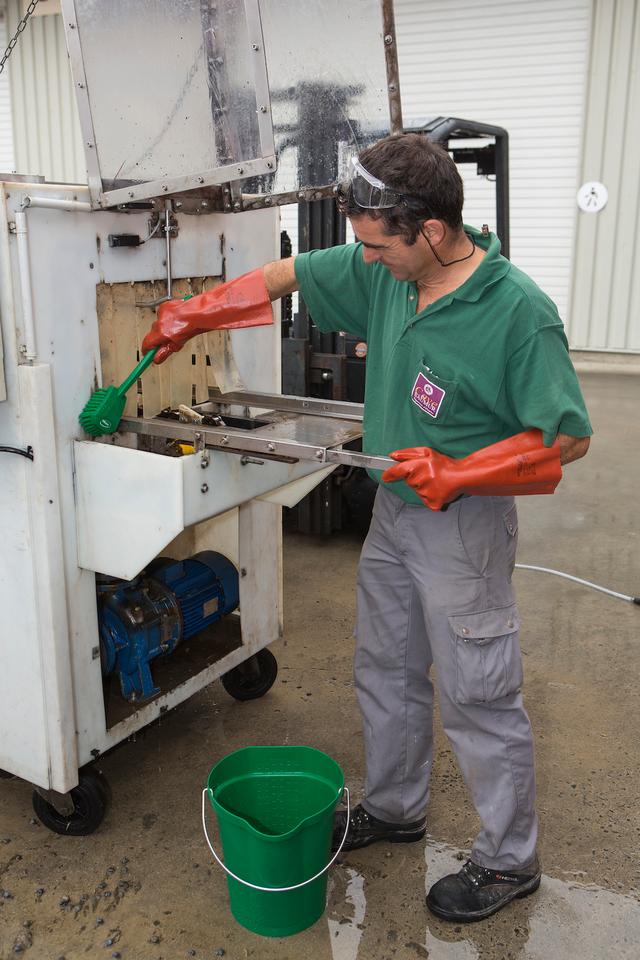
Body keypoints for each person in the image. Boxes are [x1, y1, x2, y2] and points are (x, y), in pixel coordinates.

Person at [142, 133, 592, 923]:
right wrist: (191, 317)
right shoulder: (388, 271)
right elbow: (283, 276)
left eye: (379, 245)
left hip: (462, 525)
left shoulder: (517, 313)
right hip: (392, 510)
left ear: (432, 231)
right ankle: (394, 807)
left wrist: (458, 472)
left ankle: (508, 859)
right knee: (385, 667)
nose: (366, 259)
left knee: (479, 695)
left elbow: (565, 441)